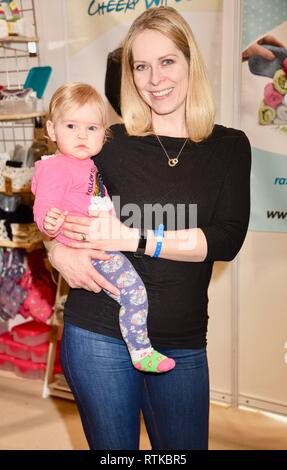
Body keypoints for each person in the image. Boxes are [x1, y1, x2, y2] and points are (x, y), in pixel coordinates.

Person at [46, 6, 251, 450]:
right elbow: (57, 199)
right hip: (98, 333)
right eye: (141, 66)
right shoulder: (108, 142)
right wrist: (56, 251)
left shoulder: (230, 147)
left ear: (190, 62)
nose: (155, 78)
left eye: (167, 61)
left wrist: (131, 237)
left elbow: (226, 239)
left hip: (181, 340)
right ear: (130, 75)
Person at [32, 82, 175, 374]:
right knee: (135, 292)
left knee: (129, 294)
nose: (82, 135)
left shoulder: (87, 164)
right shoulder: (55, 166)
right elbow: (44, 203)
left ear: (103, 133)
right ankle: (141, 350)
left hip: (100, 240)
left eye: (92, 128)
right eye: (71, 126)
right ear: (51, 130)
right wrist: (48, 220)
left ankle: (140, 344)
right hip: (89, 246)